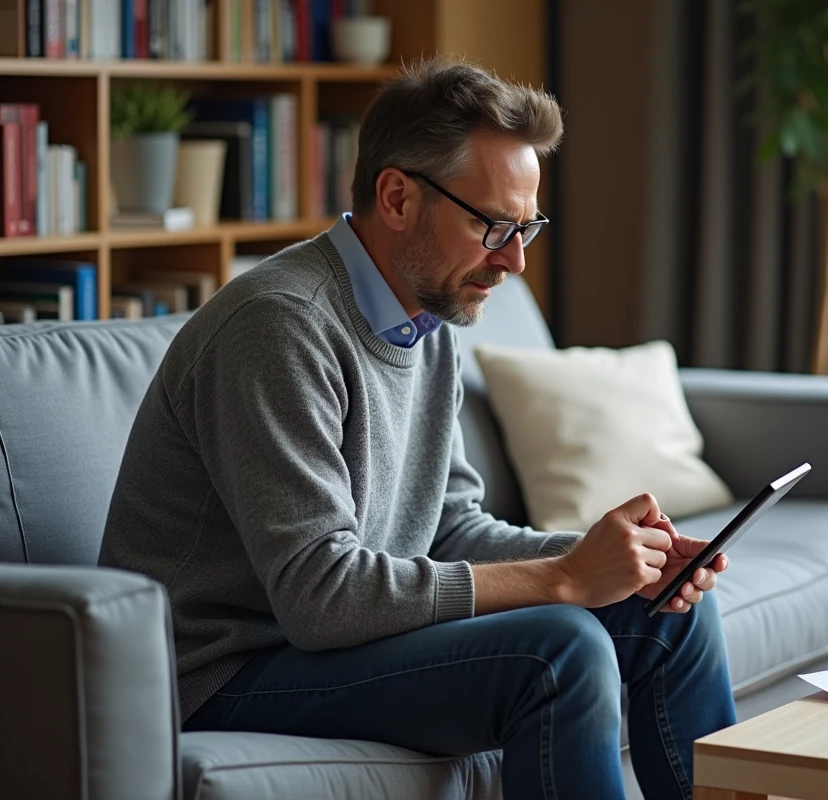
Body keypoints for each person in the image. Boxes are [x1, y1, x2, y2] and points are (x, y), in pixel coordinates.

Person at [99, 57, 736, 800]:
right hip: (226, 670)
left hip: (339, 642)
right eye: (493, 225)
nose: (516, 260)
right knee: (559, 649)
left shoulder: (425, 317)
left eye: (526, 226)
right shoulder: (280, 326)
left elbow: (448, 526)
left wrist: (614, 560)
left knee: (667, 612)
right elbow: (319, 596)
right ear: (397, 196)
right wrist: (563, 579)